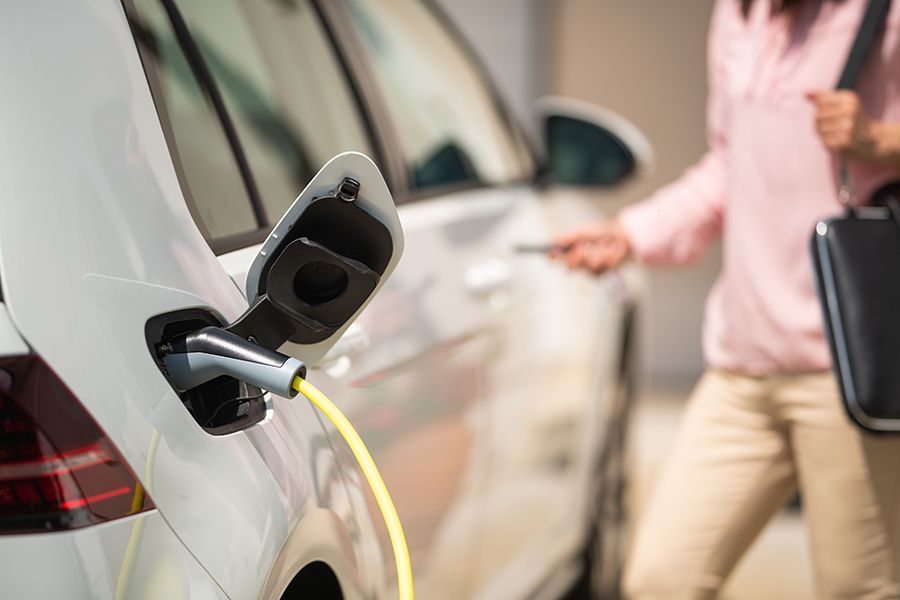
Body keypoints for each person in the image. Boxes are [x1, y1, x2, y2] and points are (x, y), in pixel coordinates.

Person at [552, 0, 900, 598]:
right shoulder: (739, 15)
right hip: (742, 365)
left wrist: (880, 141)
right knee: (662, 580)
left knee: (859, 589)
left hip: (846, 372)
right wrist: (631, 232)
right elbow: (729, 166)